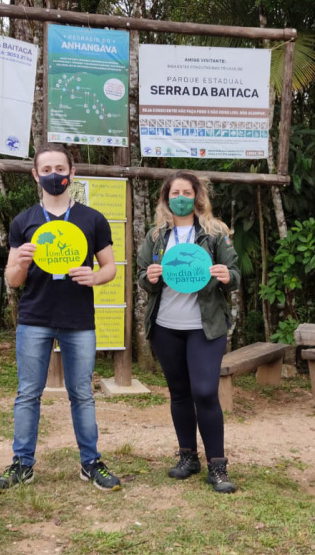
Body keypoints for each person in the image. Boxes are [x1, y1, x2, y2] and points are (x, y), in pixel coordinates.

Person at [0, 143, 121, 493]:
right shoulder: (24, 221)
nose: (54, 176)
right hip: (35, 318)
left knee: (82, 394)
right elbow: (13, 280)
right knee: (28, 394)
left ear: (72, 173)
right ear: (36, 175)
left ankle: (91, 463)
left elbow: (110, 268)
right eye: (46, 170)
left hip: (79, 319)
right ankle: (22, 464)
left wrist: (95, 277)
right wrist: (20, 264)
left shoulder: (92, 219)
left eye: (60, 169)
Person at [136, 170, 240, 494]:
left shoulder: (215, 232)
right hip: (166, 326)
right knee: (179, 393)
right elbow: (142, 276)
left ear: (197, 197)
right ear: (166, 199)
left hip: (205, 327)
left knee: (205, 392)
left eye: (186, 192)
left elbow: (235, 274)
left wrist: (227, 276)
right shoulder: (156, 236)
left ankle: (218, 466)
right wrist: (149, 277)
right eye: (174, 193)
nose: (180, 198)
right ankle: (187, 457)